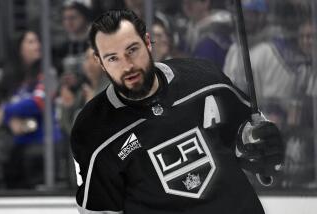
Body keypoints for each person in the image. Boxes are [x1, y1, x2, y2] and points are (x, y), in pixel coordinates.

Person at [70, 9, 283, 214]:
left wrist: (257, 143)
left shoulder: (204, 79)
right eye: (113, 58)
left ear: (147, 42)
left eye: (132, 50)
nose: (127, 66)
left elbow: (248, 130)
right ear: (100, 61)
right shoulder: (94, 130)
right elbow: (100, 210)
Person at [0, 30, 61, 188]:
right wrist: (9, 120)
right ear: (19, 47)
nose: (37, 45)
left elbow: (38, 103)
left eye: (38, 41)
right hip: (16, 149)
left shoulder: (48, 72)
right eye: (31, 42)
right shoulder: (9, 78)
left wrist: (6, 110)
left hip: (42, 145)